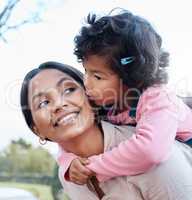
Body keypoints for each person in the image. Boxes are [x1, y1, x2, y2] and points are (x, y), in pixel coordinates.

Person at [20, 61, 192, 200]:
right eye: (43, 103)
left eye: (69, 90)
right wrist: (67, 165)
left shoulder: (151, 152)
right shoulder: (68, 176)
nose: (59, 104)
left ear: (91, 97)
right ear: (37, 130)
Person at [58, 8, 192, 184]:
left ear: (132, 77)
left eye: (97, 76)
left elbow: (150, 151)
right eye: (86, 71)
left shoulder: (159, 98)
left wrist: (93, 167)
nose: (87, 83)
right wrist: (70, 162)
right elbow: (71, 131)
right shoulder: (100, 100)